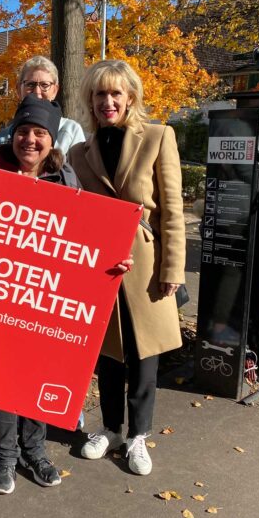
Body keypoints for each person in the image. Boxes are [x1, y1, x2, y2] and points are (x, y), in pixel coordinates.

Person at [0, 95, 75, 495]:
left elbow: (83, 240)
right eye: (23, 131)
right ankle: (4, 454)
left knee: (37, 374)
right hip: (0, 294)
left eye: (40, 134)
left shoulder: (66, 178)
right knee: (2, 378)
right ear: (12, 135)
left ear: (52, 141)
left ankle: (34, 450)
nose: (31, 140)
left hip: (45, 298)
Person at [68, 60, 186, 476]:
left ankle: (139, 435)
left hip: (145, 265)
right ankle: (111, 428)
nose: (108, 101)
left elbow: (172, 209)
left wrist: (173, 267)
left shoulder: (157, 136)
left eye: (116, 93)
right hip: (99, 267)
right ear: (91, 100)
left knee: (144, 355)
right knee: (108, 354)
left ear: (130, 97)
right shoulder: (78, 153)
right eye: (100, 94)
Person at [0, 55, 85, 153]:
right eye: (30, 84)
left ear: (55, 90)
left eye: (45, 85)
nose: (37, 92)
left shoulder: (71, 132)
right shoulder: (3, 137)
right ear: (19, 90)